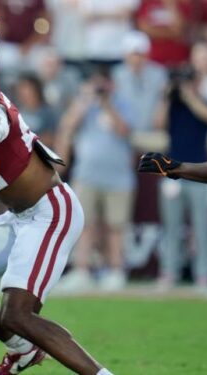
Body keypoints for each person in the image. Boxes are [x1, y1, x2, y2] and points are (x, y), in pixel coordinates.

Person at [0, 90, 114, 375]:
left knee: (19, 314)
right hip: (17, 217)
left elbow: (0, 125)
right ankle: (24, 349)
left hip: (49, 210)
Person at [141, 42, 207, 291]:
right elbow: (158, 123)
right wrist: (168, 96)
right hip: (172, 169)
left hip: (200, 171)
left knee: (201, 226)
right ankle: (169, 271)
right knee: (171, 227)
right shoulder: (174, 103)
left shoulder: (206, 101)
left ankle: (203, 275)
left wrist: (189, 94)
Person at [56, 68, 136, 292]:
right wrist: (84, 101)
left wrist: (108, 103)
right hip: (87, 174)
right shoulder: (84, 103)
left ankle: (116, 270)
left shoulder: (122, 103)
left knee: (116, 226)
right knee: (85, 224)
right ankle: (82, 270)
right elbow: (68, 126)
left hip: (118, 176)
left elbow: (124, 130)